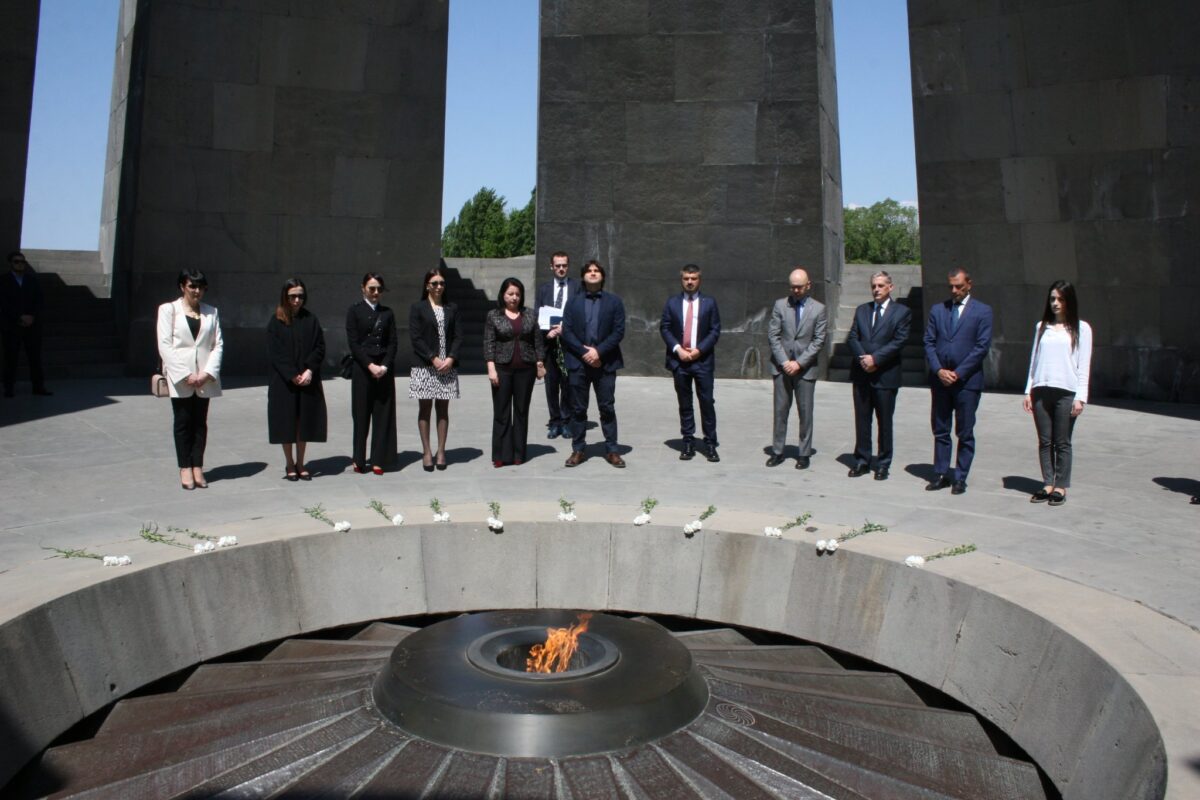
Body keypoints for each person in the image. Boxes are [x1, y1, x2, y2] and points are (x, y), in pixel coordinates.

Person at [923, 267, 993, 495]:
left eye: (959, 286)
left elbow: (981, 347)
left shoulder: (982, 311)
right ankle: (941, 473)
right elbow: (929, 342)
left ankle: (960, 477)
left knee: (964, 431)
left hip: (967, 383)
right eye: (951, 286)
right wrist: (939, 370)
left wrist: (959, 372)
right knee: (941, 429)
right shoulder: (938, 310)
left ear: (969, 284)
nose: (954, 290)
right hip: (940, 381)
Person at [1022, 280, 1092, 506]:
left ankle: (1060, 486)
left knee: (1062, 441)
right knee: (1044, 441)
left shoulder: (1082, 329)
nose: (1055, 303)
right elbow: (1034, 359)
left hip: (1066, 392)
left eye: (1060, 299)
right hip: (1041, 390)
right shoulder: (1042, 327)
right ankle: (1047, 483)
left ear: (1069, 301)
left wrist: (1081, 397)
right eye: (1052, 299)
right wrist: (1028, 391)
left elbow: (1084, 365)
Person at [157, 269, 223, 490]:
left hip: (205, 377)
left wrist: (207, 373)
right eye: (192, 286)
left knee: (200, 423)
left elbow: (217, 345)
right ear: (182, 287)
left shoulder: (211, 312)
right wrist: (185, 374)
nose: (196, 291)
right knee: (183, 421)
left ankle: (198, 467)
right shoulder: (169, 310)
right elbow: (165, 345)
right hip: (181, 377)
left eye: (200, 287)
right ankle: (185, 467)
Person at [846, 270, 912, 480]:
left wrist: (875, 359)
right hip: (862, 374)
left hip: (885, 376)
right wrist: (863, 359)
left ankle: (883, 463)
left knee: (885, 422)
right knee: (862, 420)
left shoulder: (901, 312)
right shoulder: (862, 310)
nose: (876, 290)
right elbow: (853, 337)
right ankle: (862, 460)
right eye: (874, 286)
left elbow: (899, 341)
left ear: (890, 287)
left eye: (881, 286)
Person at [561, 260, 626, 468]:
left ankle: (612, 450)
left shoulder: (614, 302)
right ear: (583, 276)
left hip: (606, 363)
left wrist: (598, 351)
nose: (592, 273)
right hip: (578, 363)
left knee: (607, 407)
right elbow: (567, 332)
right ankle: (578, 449)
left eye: (596, 270)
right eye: (589, 271)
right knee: (578, 409)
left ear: (602, 276)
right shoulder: (572, 302)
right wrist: (585, 353)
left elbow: (618, 332)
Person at [266, 278, 327, 481]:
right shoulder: (276, 321)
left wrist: (309, 369)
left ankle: (301, 462)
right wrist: (292, 374)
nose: (297, 300)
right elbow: (275, 353)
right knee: (287, 423)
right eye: (293, 296)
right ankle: (289, 463)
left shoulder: (311, 319)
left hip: (307, 380)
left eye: (300, 296)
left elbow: (319, 346)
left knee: (304, 423)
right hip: (285, 382)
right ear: (285, 296)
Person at [766, 267, 827, 469]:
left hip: (805, 369)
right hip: (782, 368)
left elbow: (819, 341)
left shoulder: (819, 309)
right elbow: (773, 336)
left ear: (808, 285)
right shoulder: (780, 306)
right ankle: (777, 451)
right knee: (780, 411)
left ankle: (804, 453)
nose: (796, 290)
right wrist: (785, 362)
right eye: (793, 287)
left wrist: (799, 363)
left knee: (805, 412)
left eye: (800, 287)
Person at [660, 263, 721, 462]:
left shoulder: (709, 303)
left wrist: (699, 350)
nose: (689, 282)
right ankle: (688, 442)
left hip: (702, 361)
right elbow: (665, 328)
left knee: (706, 402)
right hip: (680, 362)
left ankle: (710, 444)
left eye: (693, 278)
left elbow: (715, 330)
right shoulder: (672, 303)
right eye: (686, 278)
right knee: (685, 404)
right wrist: (678, 350)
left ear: (699, 280)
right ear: (681, 279)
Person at [484, 277, 546, 467]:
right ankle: (502, 455)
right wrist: (491, 368)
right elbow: (489, 343)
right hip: (502, 369)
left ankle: (519, 453)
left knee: (521, 411)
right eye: (510, 294)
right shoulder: (494, 315)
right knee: (502, 412)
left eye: (518, 294)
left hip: (525, 370)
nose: (514, 298)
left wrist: (540, 363)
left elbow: (537, 341)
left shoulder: (530, 314)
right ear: (503, 295)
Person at [409, 267, 461, 471]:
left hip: (447, 366)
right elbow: (416, 338)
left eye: (441, 283)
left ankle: (441, 451)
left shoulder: (452, 308)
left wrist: (450, 358)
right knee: (425, 409)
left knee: (443, 410)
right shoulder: (418, 308)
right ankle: (427, 451)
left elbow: (458, 336)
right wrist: (433, 358)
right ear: (427, 286)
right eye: (435, 283)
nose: (439, 287)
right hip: (425, 366)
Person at [346, 272, 397, 475]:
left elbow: (393, 342)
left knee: (382, 414)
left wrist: (384, 366)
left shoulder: (388, 313)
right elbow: (354, 343)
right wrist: (370, 366)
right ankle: (359, 458)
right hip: (363, 369)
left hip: (384, 370)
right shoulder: (354, 311)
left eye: (379, 289)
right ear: (363, 289)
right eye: (372, 289)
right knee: (361, 414)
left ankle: (378, 459)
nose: (375, 293)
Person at [534, 251, 580, 439]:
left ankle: (567, 421)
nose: (561, 268)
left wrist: (565, 329)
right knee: (551, 384)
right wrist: (548, 331)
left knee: (568, 384)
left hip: (569, 344)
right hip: (550, 343)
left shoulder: (577, 288)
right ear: (551, 267)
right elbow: (538, 313)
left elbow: (580, 314)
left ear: (568, 266)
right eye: (558, 265)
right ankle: (554, 422)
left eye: (564, 265)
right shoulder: (544, 290)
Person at [1, 251, 50, 397]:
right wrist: (19, 316)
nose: (20, 264)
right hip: (12, 326)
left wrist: (32, 316)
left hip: (32, 326)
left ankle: (38, 387)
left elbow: (39, 300)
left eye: (22, 261)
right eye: (17, 261)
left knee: (34, 358)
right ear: (11, 263)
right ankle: (9, 388)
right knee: (11, 358)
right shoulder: (3, 281)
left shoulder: (32, 280)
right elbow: (4, 304)